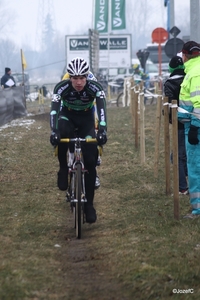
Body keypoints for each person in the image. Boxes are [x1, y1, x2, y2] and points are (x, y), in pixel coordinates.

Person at [50, 57, 107, 223]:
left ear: (87, 76)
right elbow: (54, 111)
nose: (79, 82)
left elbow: (102, 109)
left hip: (87, 121)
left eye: (82, 78)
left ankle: (89, 205)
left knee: (90, 159)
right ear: (69, 77)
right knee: (62, 133)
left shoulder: (94, 87)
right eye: (75, 78)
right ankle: (62, 169)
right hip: (67, 116)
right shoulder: (62, 87)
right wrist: (53, 131)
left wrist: (102, 130)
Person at [62, 69, 101, 189]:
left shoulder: (91, 78)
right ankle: (71, 155)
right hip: (69, 108)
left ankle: (95, 165)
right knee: (69, 134)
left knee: (94, 132)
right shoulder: (66, 78)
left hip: (88, 108)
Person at [177, 41, 200, 218]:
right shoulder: (193, 70)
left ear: (185, 56)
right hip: (192, 124)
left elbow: (198, 103)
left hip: (195, 127)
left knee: (194, 167)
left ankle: (197, 208)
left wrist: (194, 126)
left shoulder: (195, 72)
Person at [164, 55, 188, 195]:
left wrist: (168, 117)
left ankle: (183, 187)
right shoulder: (189, 78)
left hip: (178, 124)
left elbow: (168, 106)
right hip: (194, 120)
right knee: (187, 155)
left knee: (177, 156)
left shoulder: (169, 83)